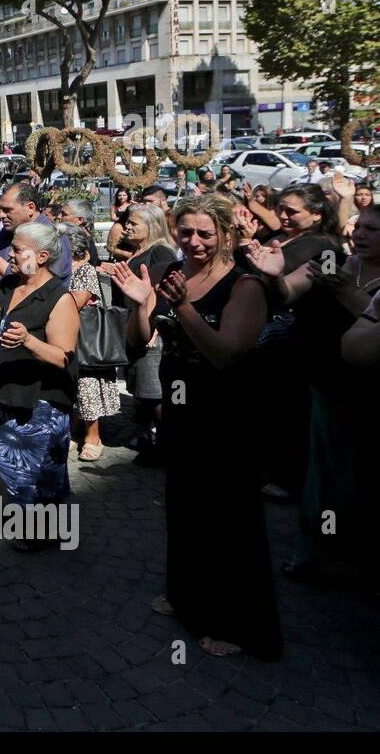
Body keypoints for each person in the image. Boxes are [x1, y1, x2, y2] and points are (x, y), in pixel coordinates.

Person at [107, 195, 280, 659]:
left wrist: (182, 307)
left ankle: (237, 622)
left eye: (206, 233)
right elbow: (140, 345)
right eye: (186, 232)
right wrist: (142, 307)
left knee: (227, 515)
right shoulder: (167, 274)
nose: (195, 242)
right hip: (180, 406)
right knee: (186, 504)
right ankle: (187, 596)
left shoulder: (245, 285)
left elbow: (226, 354)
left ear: (225, 233)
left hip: (227, 412)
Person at [246, 203, 380, 585]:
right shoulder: (335, 262)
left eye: (374, 229)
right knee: (326, 474)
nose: (363, 234)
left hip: (370, 389)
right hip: (330, 387)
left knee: (362, 476)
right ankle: (317, 552)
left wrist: (347, 296)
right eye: (362, 226)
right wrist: (273, 277)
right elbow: (287, 293)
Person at [0, 221, 79, 530]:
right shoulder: (6, 285)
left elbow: (63, 356)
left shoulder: (59, 298)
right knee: (23, 470)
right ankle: (42, 528)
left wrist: (29, 341)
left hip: (41, 400)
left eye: (17, 250)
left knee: (39, 471)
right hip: (5, 393)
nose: (9, 254)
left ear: (42, 256)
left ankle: (40, 532)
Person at [106, 203, 178, 465]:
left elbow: (163, 294)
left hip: (151, 334)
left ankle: (167, 447)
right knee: (141, 389)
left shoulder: (160, 252)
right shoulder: (138, 251)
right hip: (134, 328)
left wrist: (154, 331)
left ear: (152, 226)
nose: (127, 226)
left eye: (134, 223)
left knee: (154, 393)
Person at [0, 183, 72, 294]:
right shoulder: (6, 232)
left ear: (30, 208)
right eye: (0, 209)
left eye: (7, 210)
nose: (1, 215)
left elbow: (33, 282)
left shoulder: (51, 238)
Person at [65, 227, 119, 461]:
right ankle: (72, 429)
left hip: (86, 341)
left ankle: (93, 437)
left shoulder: (85, 270)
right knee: (69, 387)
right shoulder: (58, 270)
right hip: (65, 337)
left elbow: (77, 301)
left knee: (87, 388)